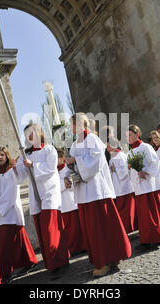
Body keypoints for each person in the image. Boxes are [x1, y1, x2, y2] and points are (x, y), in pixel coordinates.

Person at [64, 113, 131, 278]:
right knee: (92, 229)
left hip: (96, 191)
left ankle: (107, 260)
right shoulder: (74, 144)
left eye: (75, 123)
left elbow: (95, 162)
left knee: (102, 227)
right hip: (83, 192)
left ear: (83, 124)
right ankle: (107, 258)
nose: (73, 127)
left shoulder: (92, 139)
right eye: (72, 124)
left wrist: (75, 161)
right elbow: (70, 163)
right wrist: (67, 176)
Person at [15, 123, 70, 279]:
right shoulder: (27, 154)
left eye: (32, 132)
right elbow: (20, 177)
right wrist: (15, 166)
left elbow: (51, 168)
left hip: (49, 195)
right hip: (35, 196)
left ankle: (59, 262)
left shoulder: (49, 149)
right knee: (42, 232)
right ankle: (52, 262)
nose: (30, 136)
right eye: (27, 134)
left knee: (50, 230)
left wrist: (33, 165)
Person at [0, 147, 38, 284]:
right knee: (18, 240)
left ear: (7, 156)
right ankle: (29, 261)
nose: (0, 157)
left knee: (3, 246)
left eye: (2, 155)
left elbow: (12, 191)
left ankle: (5, 273)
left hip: (9, 211)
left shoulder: (11, 172)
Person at [127, 126, 160, 251]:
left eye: (130, 135)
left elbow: (155, 164)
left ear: (137, 134)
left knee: (151, 213)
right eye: (126, 136)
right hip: (138, 187)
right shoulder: (129, 151)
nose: (128, 138)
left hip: (148, 185)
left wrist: (146, 172)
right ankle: (145, 239)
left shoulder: (146, 147)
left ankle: (155, 238)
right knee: (143, 215)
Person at [56, 148, 86, 256]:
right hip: (61, 203)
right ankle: (72, 248)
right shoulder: (53, 171)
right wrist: (63, 184)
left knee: (76, 226)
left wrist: (64, 184)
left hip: (71, 200)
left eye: (57, 157)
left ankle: (82, 246)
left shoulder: (68, 169)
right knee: (67, 228)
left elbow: (73, 182)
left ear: (62, 158)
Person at [107, 136, 136, 234]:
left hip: (125, 186)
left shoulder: (121, 156)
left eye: (108, 145)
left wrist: (115, 170)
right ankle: (124, 227)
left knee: (126, 210)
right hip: (117, 187)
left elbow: (125, 172)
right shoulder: (112, 158)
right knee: (121, 209)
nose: (107, 147)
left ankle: (128, 227)